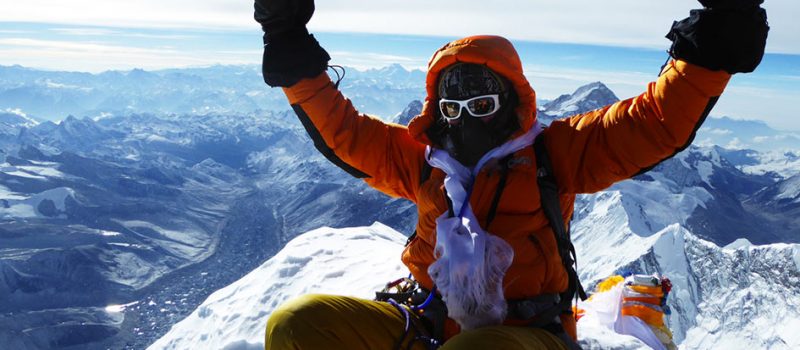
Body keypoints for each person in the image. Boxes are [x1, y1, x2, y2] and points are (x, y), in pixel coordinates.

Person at [254, 0, 768, 349]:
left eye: (482, 102)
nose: (466, 118)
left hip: (528, 333)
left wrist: (712, 44)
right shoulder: (421, 159)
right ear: (438, 109)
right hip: (428, 320)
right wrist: (289, 41)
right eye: (453, 107)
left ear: (510, 102)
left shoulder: (555, 153)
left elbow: (651, 122)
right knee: (297, 326)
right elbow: (344, 133)